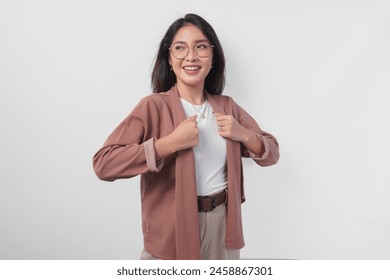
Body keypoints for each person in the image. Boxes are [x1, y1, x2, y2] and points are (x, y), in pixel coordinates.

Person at [93, 13, 279, 260]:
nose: (191, 56)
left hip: (223, 227)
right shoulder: (152, 107)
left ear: (213, 58)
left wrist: (243, 134)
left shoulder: (227, 107)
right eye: (180, 48)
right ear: (169, 59)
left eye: (200, 47)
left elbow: (271, 154)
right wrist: (168, 144)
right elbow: (104, 164)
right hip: (171, 228)